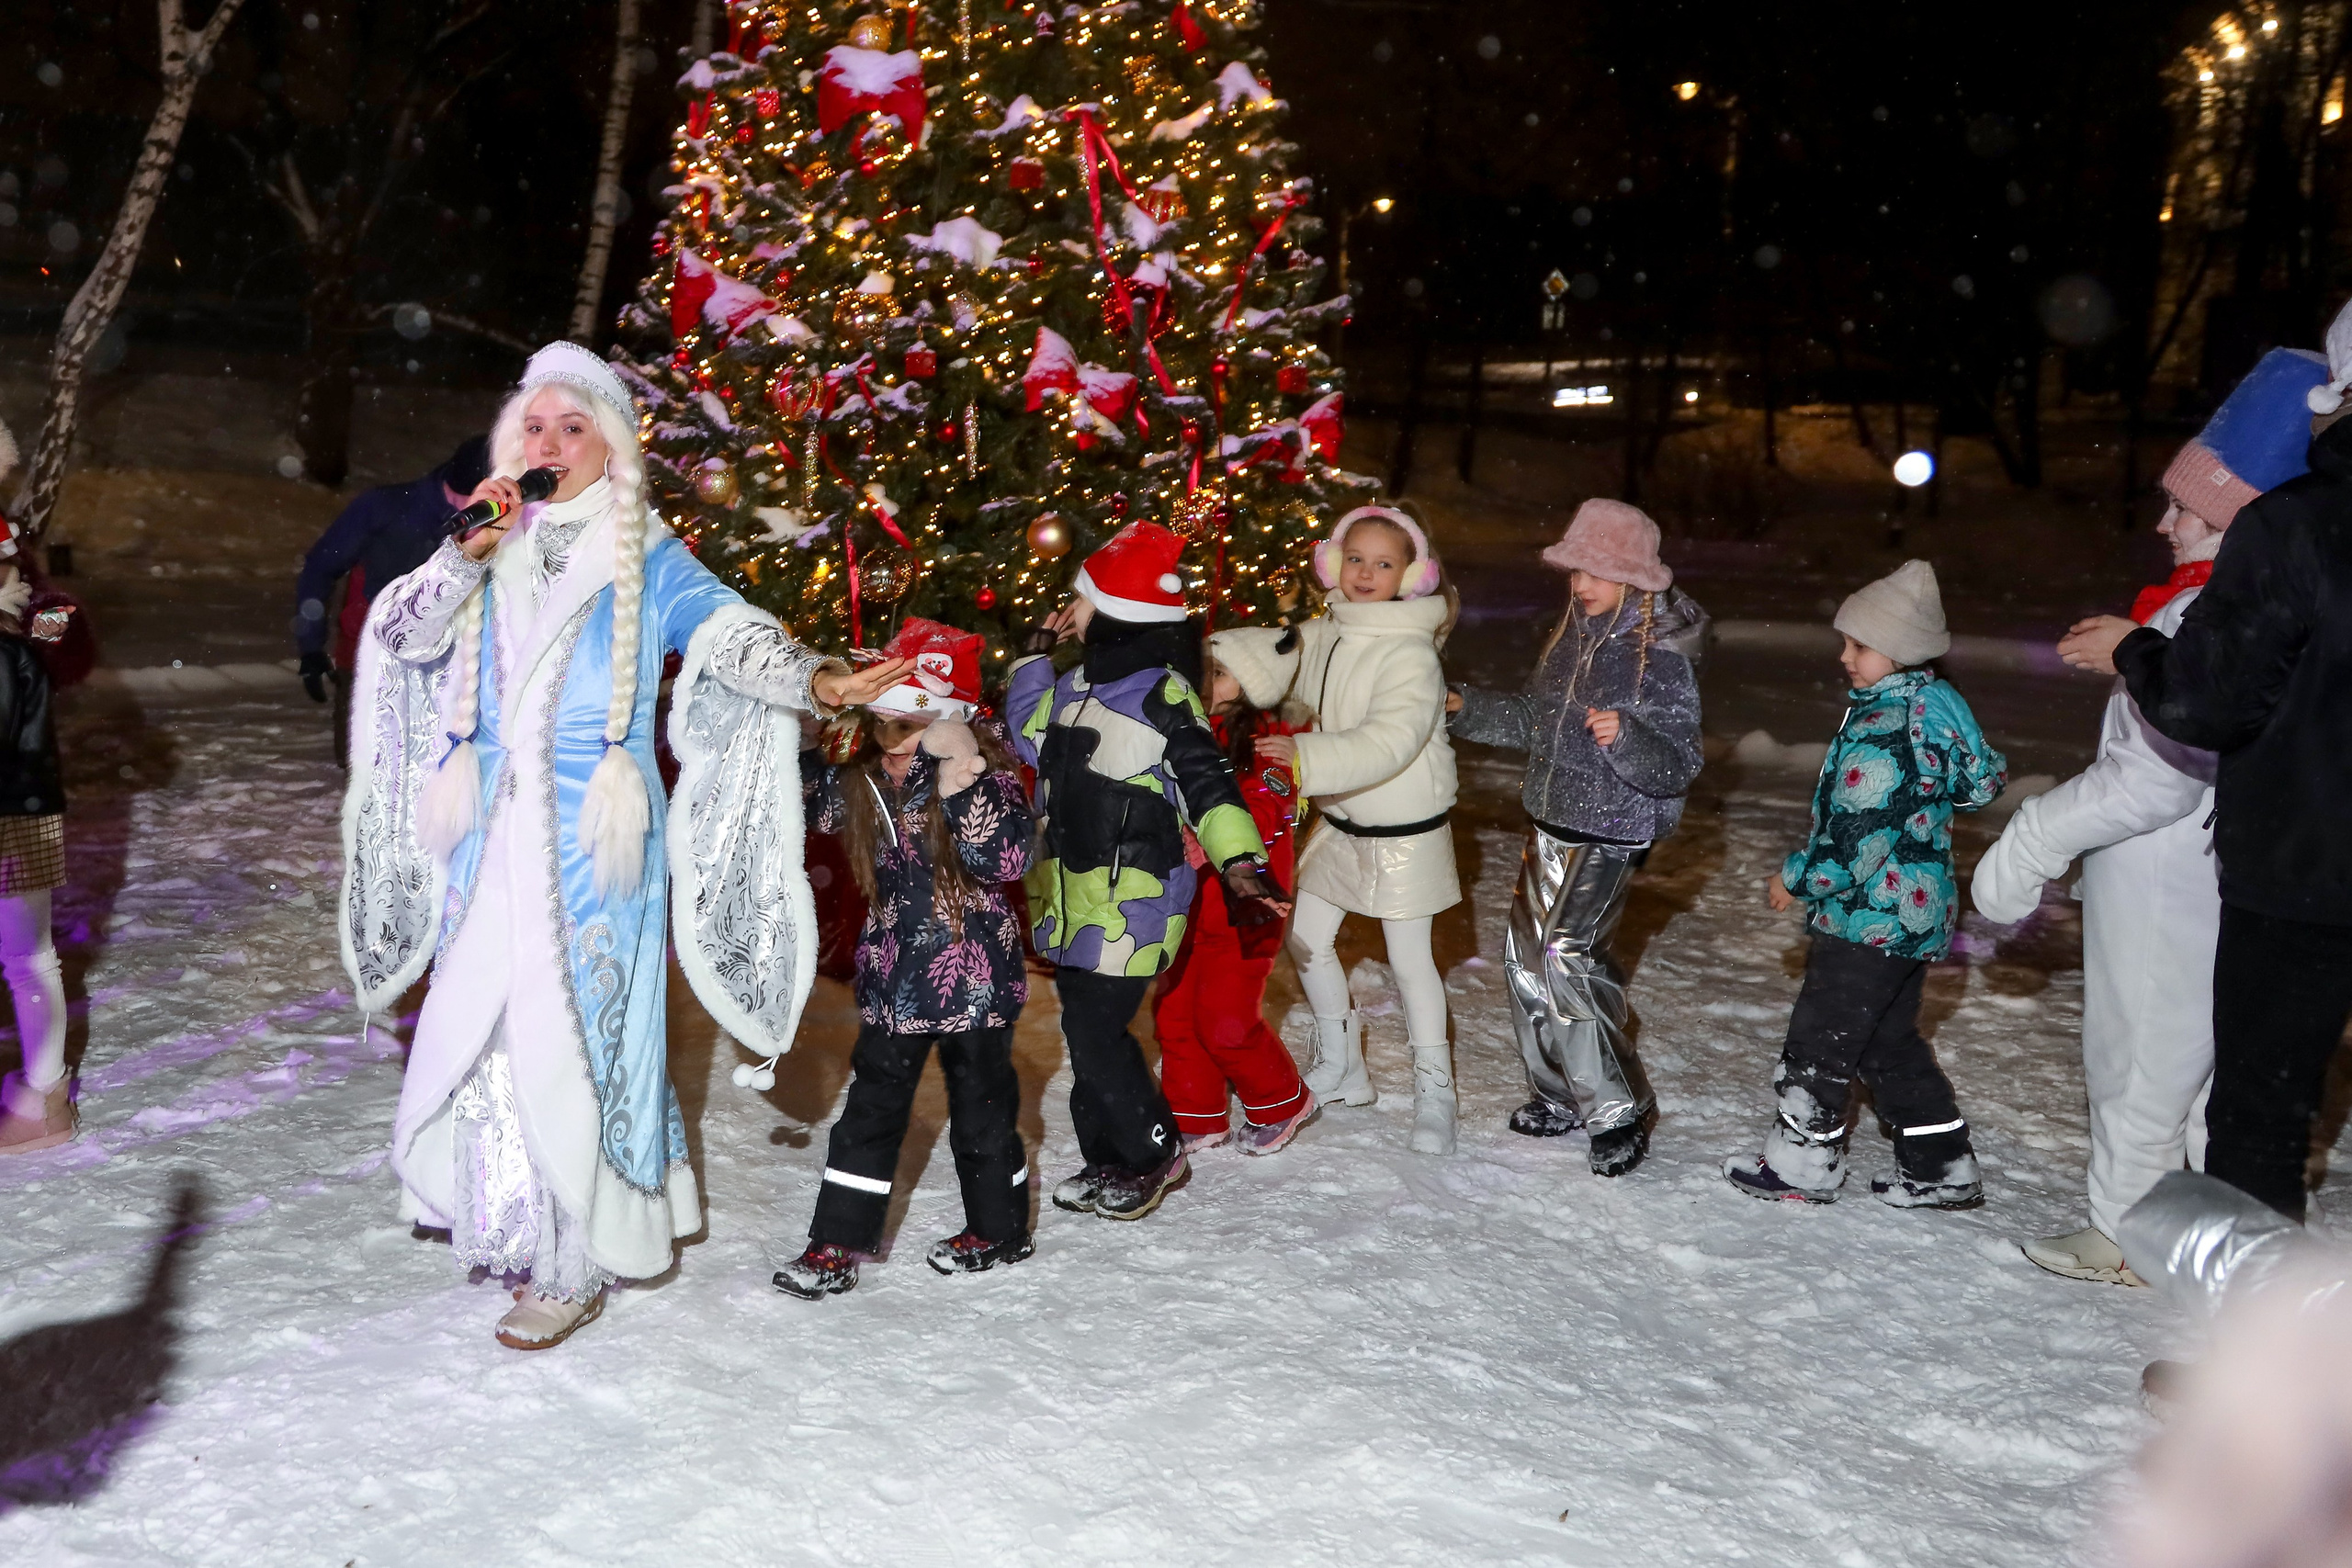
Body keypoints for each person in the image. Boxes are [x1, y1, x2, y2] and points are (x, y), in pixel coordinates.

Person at [338, 342, 910, 1349]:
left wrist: (813, 674)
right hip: (487, 846)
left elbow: (727, 631)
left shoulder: (643, 550)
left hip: (591, 855)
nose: (549, 444)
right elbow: (399, 640)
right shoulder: (487, 542)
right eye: (535, 428)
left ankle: (575, 1260)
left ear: (611, 447)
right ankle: (517, 1221)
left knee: (576, 1040)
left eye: (573, 428)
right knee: (493, 1040)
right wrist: (452, 558)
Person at [1975, 348, 2329, 1283]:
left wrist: (2032, 837)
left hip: (2165, 871)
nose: (2164, 521)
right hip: (2214, 870)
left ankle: (2125, 1228)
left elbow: (2156, 776)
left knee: (2136, 1053)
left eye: (2190, 509)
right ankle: (2194, 1225)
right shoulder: (2217, 609)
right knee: (2193, 1058)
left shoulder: (2194, 622)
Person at [2058, 299, 2352, 1224]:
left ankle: (2244, 1347)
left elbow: (2205, 703)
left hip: (2306, 867)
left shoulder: (2300, 526)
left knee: (2257, 1112)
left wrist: (2134, 654)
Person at [1004, 520, 1286, 1223]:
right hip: (1073, 894)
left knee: (1099, 1032)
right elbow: (1027, 734)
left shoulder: (1163, 692)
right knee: (1084, 1032)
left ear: (1117, 611)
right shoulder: (1073, 684)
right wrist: (1036, 656)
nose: (1073, 609)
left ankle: (1155, 1149)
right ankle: (1107, 1156)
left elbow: (1208, 783)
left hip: (1136, 901)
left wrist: (1242, 861)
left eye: (1084, 598)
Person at [1726, 559, 2007, 1208]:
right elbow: (1974, 783)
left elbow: (1858, 838)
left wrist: (1798, 877)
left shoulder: (1884, 731)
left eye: (1859, 644)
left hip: (1867, 913)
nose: (1844, 657)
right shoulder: (1931, 710)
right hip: (1915, 915)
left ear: (1902, 650)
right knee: (1888, 1042)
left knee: (1821, 1038)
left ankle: (1802, 1164)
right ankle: (1942, 1166)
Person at [773, 618, 1037, 1298]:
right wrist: (801, 738)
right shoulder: (866, 786)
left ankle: (1000, 1227)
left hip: (974, 980)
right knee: (869, 1112)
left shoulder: (985, 777)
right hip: (896, 983)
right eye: (883, 727)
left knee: (982, 1108)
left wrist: (962, 779)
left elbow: (1004, 858)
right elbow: (807, 804)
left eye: (911, 727)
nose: (893, 746)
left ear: (949, 722)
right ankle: (836, 1241)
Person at [1445, 499, 1706, 1178]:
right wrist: (1466, 709)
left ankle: (1618, 1107)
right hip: (1552, 821)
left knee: (1567, 957)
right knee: (1522, 957)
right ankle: (1559, 1089)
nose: (1580, 584)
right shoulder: (1571, 638)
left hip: (1612, 830)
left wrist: (1629, 739)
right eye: (1575, 570)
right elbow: (1538, 722)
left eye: (1595, 571)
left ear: (1633, 575)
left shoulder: (1659, 659)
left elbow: (1679, 761)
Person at [1255, 504, 1464, 1156]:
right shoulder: (1333, 629)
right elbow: (1280, 661)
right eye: (1355, 558)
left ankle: (1437, 1092)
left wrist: (1307, 759)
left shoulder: (1410, 654)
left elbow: (1388, 741)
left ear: (1412, 575)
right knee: (1307, 937)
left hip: (1404, 833)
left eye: (1383, 562)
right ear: (1331, 563)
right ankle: (1344, 1063)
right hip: (1342, 821)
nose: (1366, 572)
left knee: (1410, 963)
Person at [1148, 626, 1316, 1157]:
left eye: (1217, 673)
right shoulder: (1183, 726)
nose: (1202, 679)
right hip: (1183, 903)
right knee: (1174, 1013)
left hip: (1244, 908)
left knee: (1225, 1020)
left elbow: (1268, 806)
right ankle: (1196, 1113)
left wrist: (1209, 834)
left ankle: (1282, 1101)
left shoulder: (1269, 743)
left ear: (1249, 685)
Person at [294, 434, 492, 764]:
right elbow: (320, 567)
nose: (474, 511)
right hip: (370, 661)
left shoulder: (512, 521)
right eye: (468, 499)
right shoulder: (385, 508)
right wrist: (311, 647)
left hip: (457, 671)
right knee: (366, 772)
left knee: (443, 774)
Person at [0, 417, 80, 1156]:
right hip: (21, 788)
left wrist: (30, 643)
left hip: (18, 792)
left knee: (26, 951)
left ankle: (45, 1092)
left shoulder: (12, 549)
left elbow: (65, 633)